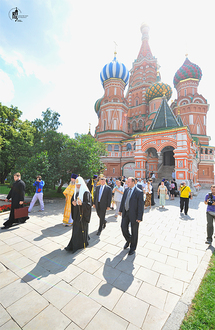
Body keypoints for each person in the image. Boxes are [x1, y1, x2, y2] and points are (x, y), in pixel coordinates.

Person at [65, 176, 92, 253]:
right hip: (77, 214)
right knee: (76, 230)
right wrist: (73, 203)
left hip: (83, 215)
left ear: (82, 184)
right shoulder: (76, 192)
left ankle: (80, 244)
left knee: (81, 229)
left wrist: (82, 204)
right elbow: (72, 200)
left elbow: (88, 205)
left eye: (79, 185)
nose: (77, 186)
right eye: (76, 185)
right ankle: (74, 244)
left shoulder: (86, 193)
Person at [119, 177, 144, 255]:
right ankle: (129, 239)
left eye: (129, 182)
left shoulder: (139, 192)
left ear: (133, 182)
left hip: (134, 215)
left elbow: (141, 206)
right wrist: (120, 210)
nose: (127, 183)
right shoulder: (126, 190)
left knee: (134, 231)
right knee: (123, 227)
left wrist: (139, 217)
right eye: (127, 182)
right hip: (126, 213)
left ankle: (133, 248)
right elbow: (123, 200)